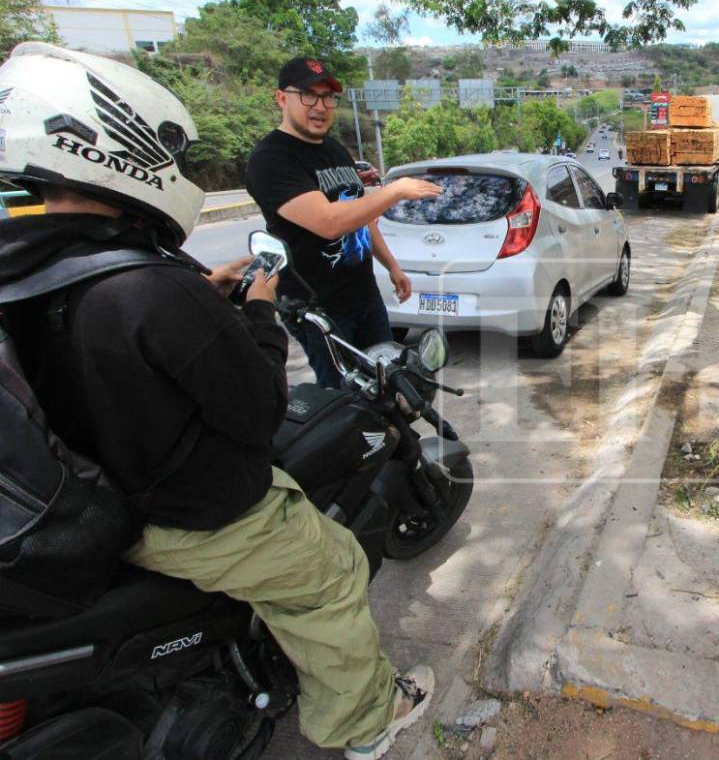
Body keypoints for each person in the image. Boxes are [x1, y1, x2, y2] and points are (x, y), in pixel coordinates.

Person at [0, 43, 431, 760]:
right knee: (333, 572)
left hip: (100, 493)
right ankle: (366, 722)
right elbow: (258, 409)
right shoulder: (150, 286)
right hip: (195, 511)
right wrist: (257, 309)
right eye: (170, 152)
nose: (178, 169)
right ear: (118, 147)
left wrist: (202, 297)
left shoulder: (31, 268)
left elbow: (100, 347)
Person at [246, 57, 441, 388]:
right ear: (281, 98)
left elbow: (359, 216)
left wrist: (392, 266)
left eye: (327, 97)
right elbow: (329, 222)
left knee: (390, 382)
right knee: (346, 397)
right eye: (309, 95)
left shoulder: (335, 150)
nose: (320, 106)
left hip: (365, 296)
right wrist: (395, 191)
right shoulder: (271, 159)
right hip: (320, 310)